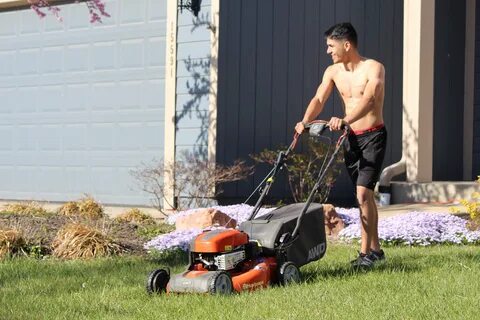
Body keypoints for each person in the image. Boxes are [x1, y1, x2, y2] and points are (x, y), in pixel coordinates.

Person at [295, 22, 387, 268]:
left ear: (346, 44)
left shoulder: (374, 68)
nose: (328, 51)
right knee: (364, 197)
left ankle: (366, 254)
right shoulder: (333, 72)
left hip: (373, 136)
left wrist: (344, 120)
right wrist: (305, 121)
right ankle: (376, 252)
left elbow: (369, 100)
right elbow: (319, 98)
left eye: (330, 46)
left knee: (363, 193)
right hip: (351, 139)